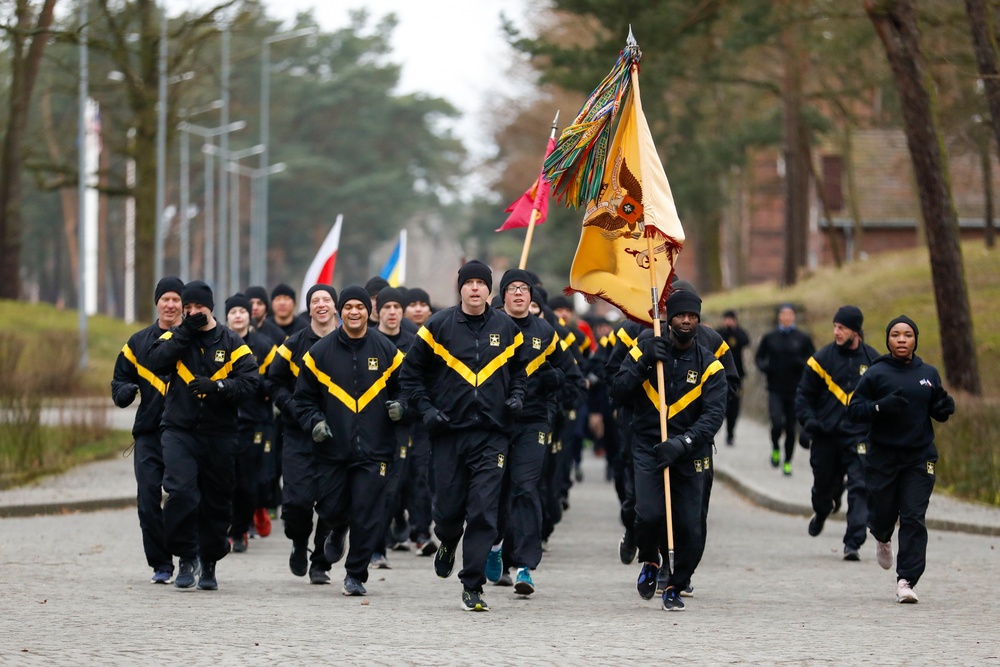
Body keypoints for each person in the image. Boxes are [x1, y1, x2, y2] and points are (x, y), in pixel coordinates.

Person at [399, 260, 529, 612]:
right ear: (460, 288)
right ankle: (447, 540)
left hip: (492, 434)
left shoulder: (507, 327)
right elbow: (410, 377)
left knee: (485, 511)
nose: (475, 288)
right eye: (468, 282)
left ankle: (472, 584)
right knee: (448, 511)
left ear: (490, 290)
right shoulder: (437, 326)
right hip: (448, 433)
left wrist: (516, 397)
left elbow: (520, 372)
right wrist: (426, 410)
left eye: (481, 283)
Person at [612, 289, 726, 611]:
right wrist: (645, 361)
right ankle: (649, 559)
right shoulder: (644, 348)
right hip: (649, 445)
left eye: (692, 316)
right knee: (648, 515)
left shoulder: (709, 365)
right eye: (680, 316)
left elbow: (714, 415)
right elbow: (618, 391)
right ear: (668, 318)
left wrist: (684, 443)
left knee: (690, 525)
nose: (686, 321)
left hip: (691, 452)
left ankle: (677, 583)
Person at [145, 280, 259, 590]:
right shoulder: (176, 337)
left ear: (210, 307)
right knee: (181, 492)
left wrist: (219, 387)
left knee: (216, 501)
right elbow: (155, 360)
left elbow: (251, 383)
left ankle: (209, 561)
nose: (193, 313)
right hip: (179, 430)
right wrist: (185, 332)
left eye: (199, 308)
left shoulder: (232, 341)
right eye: (188, 308)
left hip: (219, 434)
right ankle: (186, 557)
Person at [296, 285, 407, 597]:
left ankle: (355, 574)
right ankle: (335, 528)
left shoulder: (387, 350)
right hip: (332, 449)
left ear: (367, 312)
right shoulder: (319, 353)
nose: (354, 312)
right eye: (348, 307)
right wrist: (314, 422)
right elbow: (302, 399)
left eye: (360, 306)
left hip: (376, 449)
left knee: (368, 513)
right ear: (339, 312)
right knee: (332, 509)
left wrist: (403, 408)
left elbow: (407, 389)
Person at [486, 269, 584, 595]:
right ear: (502, 297)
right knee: (496, 489)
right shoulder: (488, 329)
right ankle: (496, 545)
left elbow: (572, 376)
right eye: (511, 289)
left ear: (531, 296)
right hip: (494, 423)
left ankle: (526, 565)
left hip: (533, 422)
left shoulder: (546, 331)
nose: (518, 294)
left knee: (525, 488)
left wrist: (555, 384)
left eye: (523, 289)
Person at [846, 315, 954, 603]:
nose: (902, 339)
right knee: (882, 514)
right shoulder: (876, 374)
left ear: (915, 339)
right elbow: (854, 410)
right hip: (883, 456)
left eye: (908, 334)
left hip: (919, 457)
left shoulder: (929, 373)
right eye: (896, 335)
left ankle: (906, 580)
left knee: (913, 517)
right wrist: (882, 407)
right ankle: (882, 537)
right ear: (888, 340)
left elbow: (937, 407)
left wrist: (943, 408)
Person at [111, 276, 184, 584]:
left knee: (184, 497)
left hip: (185, 435)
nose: (170, 305)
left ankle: (190, 555)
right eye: (165, 299)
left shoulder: (196, 340)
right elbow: (118, 383)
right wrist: (126, 391)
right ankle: (161, 564)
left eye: (176, 299)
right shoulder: (138, 342)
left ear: (184, 305)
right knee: (148, 501)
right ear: (157, 302)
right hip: (149, 434)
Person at [265, 283, 338, 584]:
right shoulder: (293, 344)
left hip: (337, 436)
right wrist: (293, 409)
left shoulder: (350, 342)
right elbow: (274, 383)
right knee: (296, 502)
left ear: (336, 307)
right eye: (315, 300)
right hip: (298, 434)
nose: (321, 305)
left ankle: (320, 562)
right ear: (309, 308)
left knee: (332, 505)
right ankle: (298, 541)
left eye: (327, 300)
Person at [795, 306, 880, 560]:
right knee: (823, 488)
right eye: (835, 327)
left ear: (856, 331)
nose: (836, 332)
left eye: (841, 328)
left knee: (860, 486)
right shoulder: (820, 360)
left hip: (859, 436)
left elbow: (884, 398)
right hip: (826, 435)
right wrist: (809, 422)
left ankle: (853, 542)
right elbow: (804, 396)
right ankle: (822, 510)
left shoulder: (874, 362)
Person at [225, 293, 277, 554]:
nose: (237, 315)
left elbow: (275, 380)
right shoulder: (218, 344)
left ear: (250, 315)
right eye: (232, 311)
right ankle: (228, 527)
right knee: (224, 479)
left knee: (249, 481)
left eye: (242, 311)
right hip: (222, 422)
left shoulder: (264, 346)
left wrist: (259, 385)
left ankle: (240, 528)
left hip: (255, 422)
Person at [370, 287, 417, 569]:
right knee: (373, 489)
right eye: (386, 307)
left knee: (393, 488)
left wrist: (406, 408)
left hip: (402, 425)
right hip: (368, 425)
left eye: (396, 308)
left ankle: (388, 533)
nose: (391, 312)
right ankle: (375, 546)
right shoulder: (368, 341)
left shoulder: (413, 343)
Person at [755, 304, 815, 475]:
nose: (787, 317)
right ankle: (775, 447)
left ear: (794, 317)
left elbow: (813, 360)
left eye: (790, 314)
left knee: (790, 428)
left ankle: (787, 461)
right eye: (784, 314)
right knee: (776, 423)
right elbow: (759, 357)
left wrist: (801, 363)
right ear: (779, 317)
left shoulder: (802, 338)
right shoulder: (770, 337)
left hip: (796, 389)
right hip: (775, 388)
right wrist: (764, 367)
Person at [718, 310, 750, 446]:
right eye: (727, 319)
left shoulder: (739, 333)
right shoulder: (719, 333)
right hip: (720, 375)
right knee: (721, 405)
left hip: (737, 376)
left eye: (731, 319)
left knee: (734, 407)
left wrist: (734, 330)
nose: (729, 322)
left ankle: (730, 434)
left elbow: (746, 341)